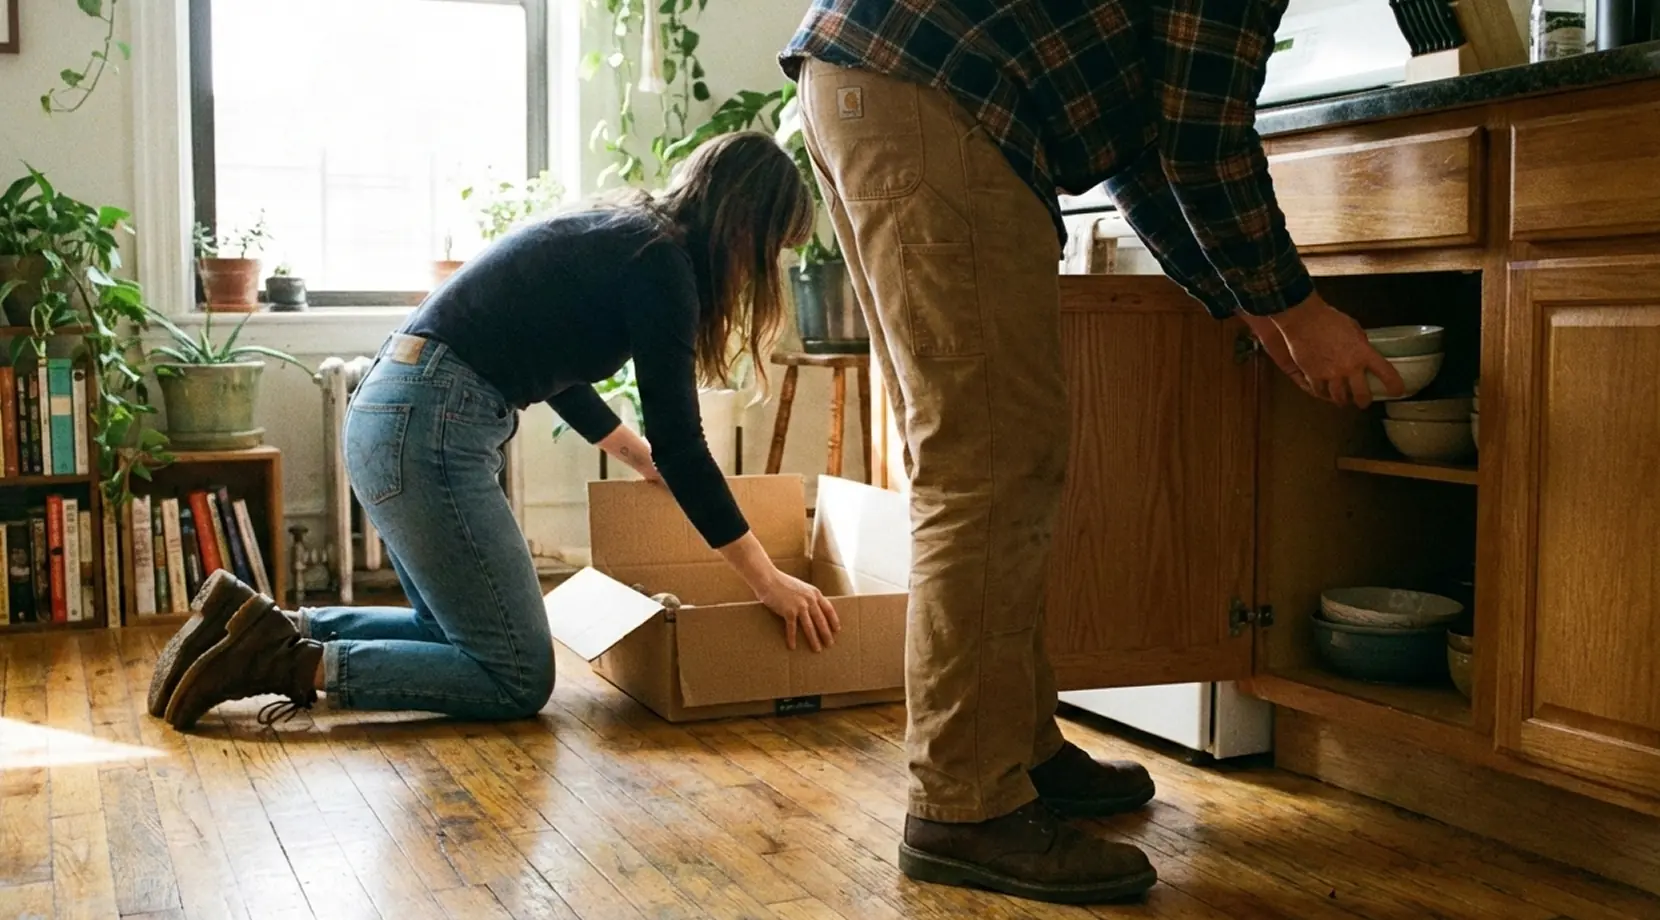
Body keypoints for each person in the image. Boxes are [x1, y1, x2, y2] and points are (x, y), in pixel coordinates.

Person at [780, 0, 1406, 905]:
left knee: (982, 461)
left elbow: (1148, 160)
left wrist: (1248, 302)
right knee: (988, 470)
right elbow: (1203, 145)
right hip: (933, 90)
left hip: (888, 73)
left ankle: (1019, 753)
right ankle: (965, 806)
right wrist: (1297, 309)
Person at [146, 132, 841, 732]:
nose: (762, 271)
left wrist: (632, 455)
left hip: (391, 412)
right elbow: (685, 444)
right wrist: (767, 580)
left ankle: (262, 627)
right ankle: (285, 662)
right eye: (772, 249)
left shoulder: (624, 234)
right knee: (516, 673)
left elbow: (559, 371)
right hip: (430, 428)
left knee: (451, 635)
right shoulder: (663, 265)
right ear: (744, 226)